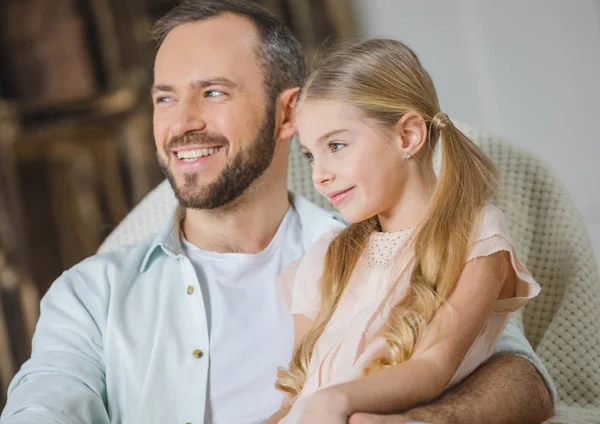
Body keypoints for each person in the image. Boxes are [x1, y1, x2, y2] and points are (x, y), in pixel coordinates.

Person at [0, 1, 554, 423]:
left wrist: (411, 419)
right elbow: (45, 403)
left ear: (288, 111)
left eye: (212, 92)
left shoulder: (383, 241)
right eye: (164, 97)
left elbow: (521, 377)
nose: (181, 122)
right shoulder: (89, 293)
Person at [264, 38, 542, 424]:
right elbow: (292, 398)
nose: (318, 175)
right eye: (311, 154)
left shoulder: (476, 236)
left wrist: (333, 401)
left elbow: (433, 365)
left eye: (337, 145)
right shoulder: (327, 256)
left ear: (408, 137)